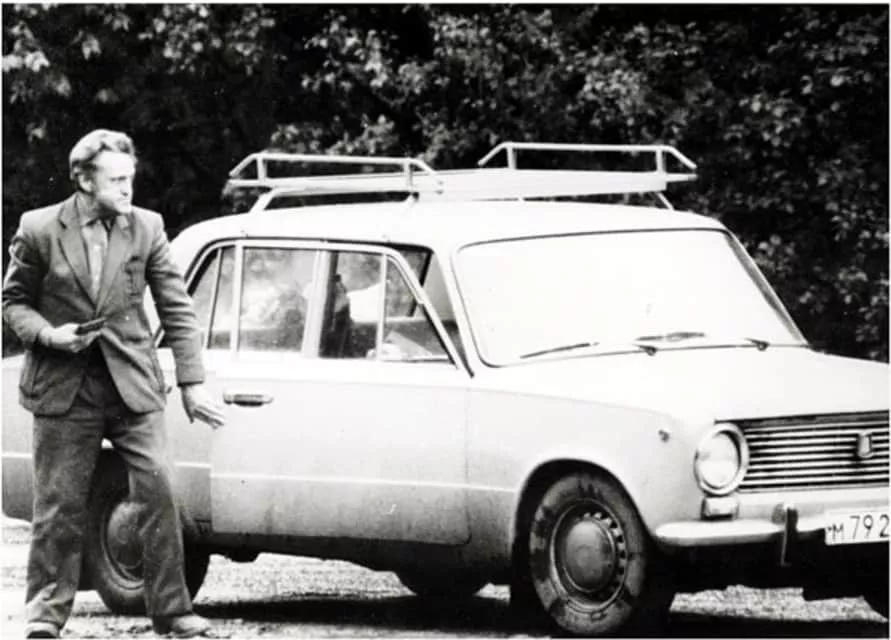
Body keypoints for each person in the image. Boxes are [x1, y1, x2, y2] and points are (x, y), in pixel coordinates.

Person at [2, 129, 226, 639]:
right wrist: (49, 335)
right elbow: (12, 302)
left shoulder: (147, 227)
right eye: (116, 180)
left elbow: (177, 308)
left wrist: (192, 382)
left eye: (130, 178)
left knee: (160, 491)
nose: (128, 189)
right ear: (84, 180)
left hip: (133, 385)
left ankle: (173, 612)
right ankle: (45, 616)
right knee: (59, 504)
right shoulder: (39, 228)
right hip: (64, 387)